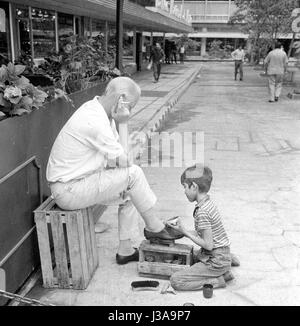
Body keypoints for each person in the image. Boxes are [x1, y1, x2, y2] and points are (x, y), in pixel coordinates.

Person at [46, 77, 183, 265]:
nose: (130, 111)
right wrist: (125, 122)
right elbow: (126, 163)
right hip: (69, 190)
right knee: (133, 175)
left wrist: (121, 123)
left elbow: (121, 157)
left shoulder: (100, 112)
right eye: (131, 106)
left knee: (132, 191)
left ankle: (125, 250)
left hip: (81, 183)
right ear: (121, 99)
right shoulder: (94, 120)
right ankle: (154, 227)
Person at [168, 164, 240, 291]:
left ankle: (220, 278)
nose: (184, 191)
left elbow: (208, 245)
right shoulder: (207, 203)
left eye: (185, 187)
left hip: (214, 259)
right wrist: (182, 231)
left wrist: (185, 231)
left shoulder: (202, 212)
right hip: (219, 253)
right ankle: (227, 261)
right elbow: (203, 233)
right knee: (190, 255)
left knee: (176, 280)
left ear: (194, 186)